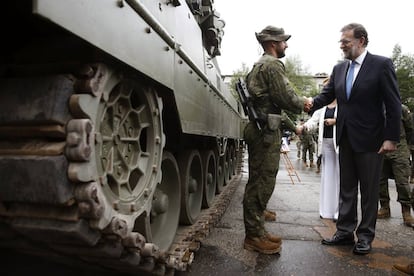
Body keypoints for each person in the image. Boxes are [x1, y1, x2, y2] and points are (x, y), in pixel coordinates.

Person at [309, 23, 401, 255]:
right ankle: (344, 231)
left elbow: (393, 104)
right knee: (346, 188)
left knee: (369, 191)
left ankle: (365, 236)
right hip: (345, 137)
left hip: (372, 139)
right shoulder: (340, 69)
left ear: (361, 40)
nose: (342, 46)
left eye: (346, 42)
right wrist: (309, 103)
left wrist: (391, 138)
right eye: (341, 42)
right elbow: (327, 95)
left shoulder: (381, 65)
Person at [243, 25, 312, 255]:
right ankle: (253, 236)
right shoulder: (272, 65)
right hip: (265, 132)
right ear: (273, 43)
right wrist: (304, 101)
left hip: (261, 128)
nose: (286, 45)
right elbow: (287, 98)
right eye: (283, 41)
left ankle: (258, 230)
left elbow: (274, 103)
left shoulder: (258, 65)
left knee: (259, 180)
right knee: (261, 182)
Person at [377, 104, 414, 227]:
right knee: (380, 180)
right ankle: (384, 207)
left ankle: (406, 211)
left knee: (402, 181)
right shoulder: (375, 107)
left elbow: (410, 129)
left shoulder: (401, 108)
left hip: (399, 148)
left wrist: (406, 147)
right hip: (380, 148)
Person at [303, 99, 339, 221]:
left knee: (340, 177)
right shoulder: (322, 107)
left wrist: (335, 121)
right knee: (327, 177)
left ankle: (339, 212)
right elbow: (313, 121)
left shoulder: (344, 102)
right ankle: (326, 211)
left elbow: (352, 118)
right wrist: (304, 127)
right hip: (326, 144)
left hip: (340, 145)